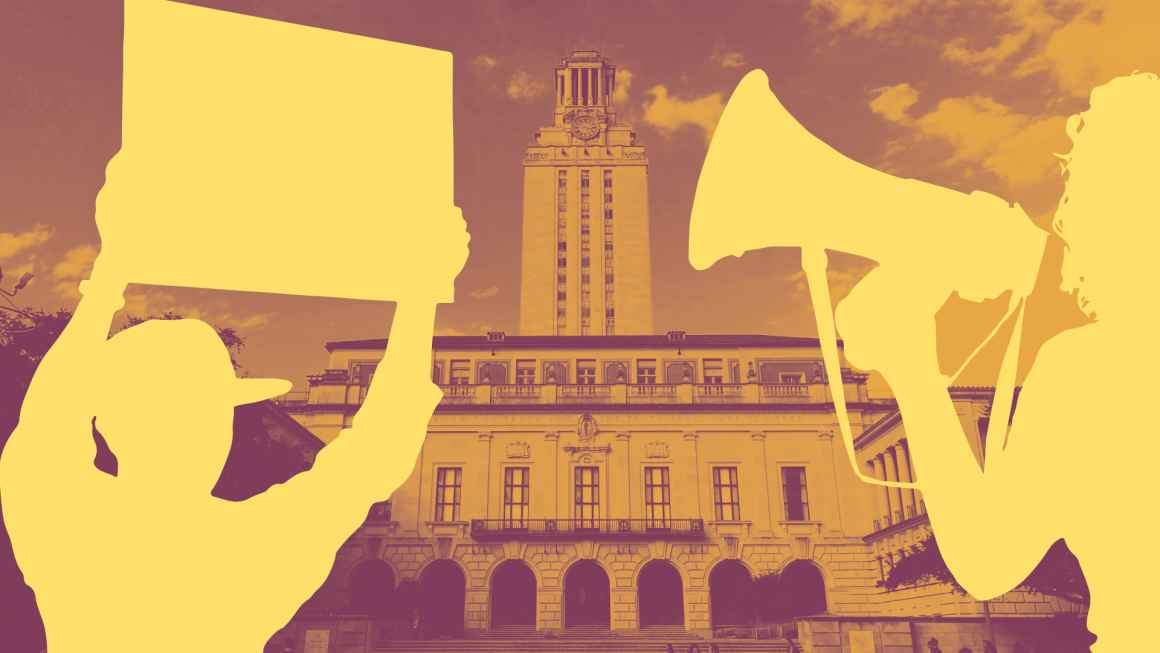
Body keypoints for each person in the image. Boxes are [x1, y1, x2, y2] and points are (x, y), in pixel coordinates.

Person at [0, 251, 444, 653]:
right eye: (200, 415)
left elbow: (46, 420)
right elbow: (380, 445)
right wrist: (419, 295)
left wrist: (100, 297)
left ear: (107, 425)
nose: (208, 432)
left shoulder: (65, 523)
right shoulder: (253, 544)